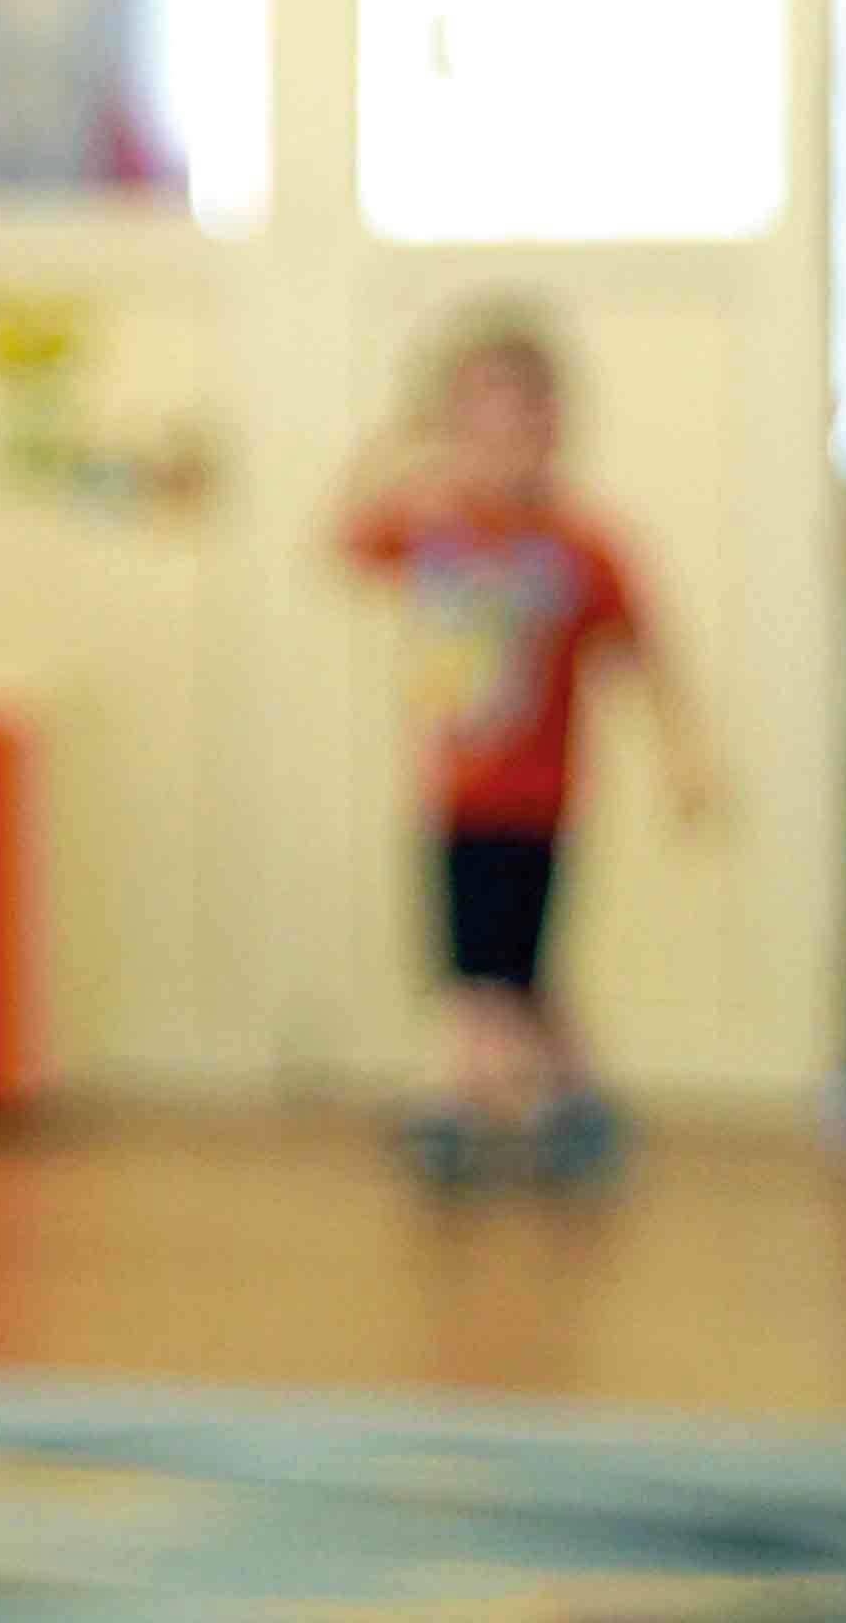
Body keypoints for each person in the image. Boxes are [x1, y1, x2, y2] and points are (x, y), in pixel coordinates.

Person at [339, 315, 724, 1188]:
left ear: (553, 428)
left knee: (511, 968)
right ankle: (522, 1098)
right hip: (456, 793)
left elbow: (644, 653)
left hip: (544, 796)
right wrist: (402, 439)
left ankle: (489, 1101)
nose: (500, 444)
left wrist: (685, 758)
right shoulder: (438, 528)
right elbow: (349, 533)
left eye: (519, 421)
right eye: (477, 421)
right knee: (481, 968)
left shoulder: (581, 546)